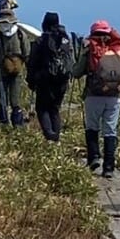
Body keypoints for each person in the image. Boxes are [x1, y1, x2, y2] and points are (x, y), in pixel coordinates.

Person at [72, 20, 120, 178]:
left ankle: (94, 158)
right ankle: (109, 167)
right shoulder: (118, 49)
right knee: (110, 130)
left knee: (92, 127)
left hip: (94, 95)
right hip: (115, 96)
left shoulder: (90, 48)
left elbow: (77, 72)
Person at [26, 11, 75, 142]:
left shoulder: (41, 40)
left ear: (44, 24)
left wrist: (31, 81)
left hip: (44, 80)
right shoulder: (65, 39)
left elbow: (33, 62)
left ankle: (50, 135)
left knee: (42, 109)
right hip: (62, 81)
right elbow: (71, 60)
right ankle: (56, 138)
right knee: (54, 109)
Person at [0, 9, 29, 126]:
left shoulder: (17, 35)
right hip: (8, 72)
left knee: (13, 100)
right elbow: (26, 53)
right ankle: (13, 124)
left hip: (11, 72)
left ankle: (8, 123)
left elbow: (26, 54)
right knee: (3, 99)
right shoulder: (0, 35)